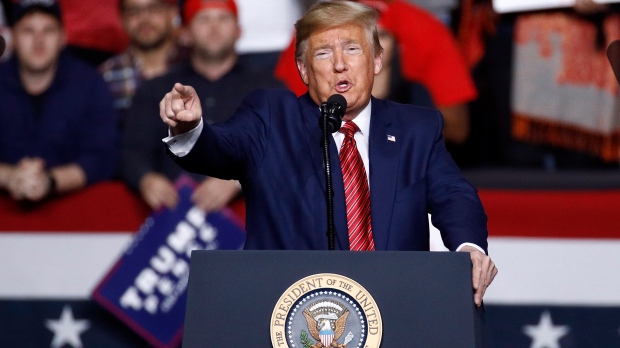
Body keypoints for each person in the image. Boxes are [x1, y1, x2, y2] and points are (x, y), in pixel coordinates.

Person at [159, 0, 496, 306]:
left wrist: (469, 249)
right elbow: (219, 148)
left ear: (377, 60)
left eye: (352, 49)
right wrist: (189, 128)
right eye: (322, 54)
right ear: (304, 70)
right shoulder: (271, 116)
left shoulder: (416, 128)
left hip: (396, 307)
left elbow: (454, 195)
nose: (339, 65)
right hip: (287, 312)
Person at [121, 0, 284, 212]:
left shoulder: (269, 89)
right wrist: (146, 178)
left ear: (238, 31)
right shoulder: (156, 89)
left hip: (251, 219)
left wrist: (237, 180)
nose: (214, 27)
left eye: (223, 18)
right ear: (185, 33)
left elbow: (286, 150)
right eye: (203, 19)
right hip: (170, 219)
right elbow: (131, 151)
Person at [275, 0, 477, 145]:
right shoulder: (315, 35)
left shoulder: (425, 32)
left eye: (380, 37)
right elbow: (286, 125)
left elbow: (458, 130)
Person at [0, 0, 117, 203]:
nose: (38, 40)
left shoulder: (89, 83)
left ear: (63, 37)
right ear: (13, 38)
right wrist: (9, 177)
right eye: (28, 31)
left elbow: (103, 157)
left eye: (48, 30)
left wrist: (50, 181)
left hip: (76, 217)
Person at [99, 0, 185, 129]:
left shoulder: (196, 64)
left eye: (154, 8)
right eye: (134, 12)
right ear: (121, 19)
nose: (144, 19)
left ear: (173, 13)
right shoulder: (107, 76)